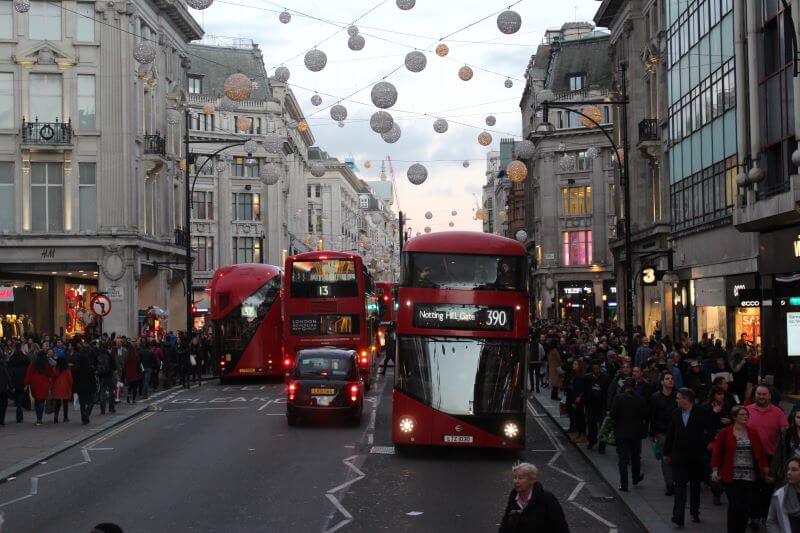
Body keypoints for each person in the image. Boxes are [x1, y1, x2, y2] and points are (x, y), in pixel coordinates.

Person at [711, 405, 770, 533]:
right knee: (734, 506)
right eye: (742, 415)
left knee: (744, 508)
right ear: (734, 417)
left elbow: (760, 452)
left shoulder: (753, 432)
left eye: (746, 415)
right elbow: (717, 453)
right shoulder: (725, 433)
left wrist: (765, 468)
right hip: (731, 476)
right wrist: (715, 470)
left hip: (749, 476)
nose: (745, 417)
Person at [664, 387, 711, 527]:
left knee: (695, 486)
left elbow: (710, 430)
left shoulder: (701, 412)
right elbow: (671, 434)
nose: (676, 400)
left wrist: (703, 444)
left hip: (696, 456)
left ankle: (694, 511)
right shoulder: (676, 413)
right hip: (679, 456)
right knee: (679, 487)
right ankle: (678, 516)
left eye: (678, 398)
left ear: (686, 399)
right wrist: (667, 453)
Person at [747, 384, 790, 529]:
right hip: (750, 455)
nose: (761, 397)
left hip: (770, 456)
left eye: (764, 394)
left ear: (770, 396)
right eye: (759, 394)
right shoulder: (747, 410)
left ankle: (763, 516)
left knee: (766, 488)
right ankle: (753, 516)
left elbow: (785, 432)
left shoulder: (778, 412)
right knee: (752, 487)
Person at [497, 462, 569, 533]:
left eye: (520, 478)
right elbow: (506, 524)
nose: (516, 481)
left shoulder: (547, 498)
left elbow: (560, 526)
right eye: (515, 477)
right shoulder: (514, 498)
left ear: (532, 480)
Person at [609, 377, 647, 492]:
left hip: (621, 433)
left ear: (625, 386)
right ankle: (635, 478)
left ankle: (624, 484)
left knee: (623, 460)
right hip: (636, 434)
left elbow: (612, 414)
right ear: (635, 387)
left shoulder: (618, 398)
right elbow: (645, 415)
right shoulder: (640, 400)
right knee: (635, 457)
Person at [649, 372, 678, 496]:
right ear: (662, 382)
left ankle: (675, 480)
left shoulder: (678, 396)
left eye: (672, 379)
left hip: (677, 432)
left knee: (675, 457)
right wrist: (652, 433)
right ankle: (669, 484)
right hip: (661, 432)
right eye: (667, 379)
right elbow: (652, 416)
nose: (670, 380)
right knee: (666, 458)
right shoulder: (655, 397)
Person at [767, 457, 800, 533]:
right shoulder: (779, 495)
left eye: (794, 470)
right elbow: (771, 522)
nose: (789, 472)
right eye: (788, 469)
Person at [770, 408, 800, 486]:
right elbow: (778, 453)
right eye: (798, 417)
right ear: (794, 418)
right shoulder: (787, 433)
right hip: (789, 470)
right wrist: (772, 472)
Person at [24, 350, 53, 425]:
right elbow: (50, 374)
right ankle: (39, 419)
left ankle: (38, 418)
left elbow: (29, 373)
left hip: (34, 382)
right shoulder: (46, 364)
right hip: (44, 382)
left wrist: (26, 383)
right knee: (42, 400)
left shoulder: (33, 363)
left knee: (37, 400)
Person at [72, 350, 96, 425]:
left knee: (82, 404)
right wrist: (94, 388)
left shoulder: (76, 369)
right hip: (88, 388)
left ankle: (84, 419)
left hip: (80, 389)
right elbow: (93, 380)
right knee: (91, 402)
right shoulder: (90, 368)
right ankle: (87, 413)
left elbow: (74, 380)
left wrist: (74, 389)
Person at [8, 343, 29, 423]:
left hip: (14, 380)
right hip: (23, 380)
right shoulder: (25, 358)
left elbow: (9, 369)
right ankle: (19, 413)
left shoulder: (12, 358)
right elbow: (28, 369)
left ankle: (18, 409)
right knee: (20, 395)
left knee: (17, 396)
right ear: (21, 348)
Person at [96, 342, 117, 414]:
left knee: (102, 392)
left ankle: (102, 409)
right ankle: (111, 407)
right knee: (111, 391)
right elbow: (114, 366)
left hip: (101, 376)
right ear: (107, 348)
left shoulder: (98, 355)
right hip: (109, 376)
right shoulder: (110, 355)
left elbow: (96, 366)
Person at [51, 356, 72, 423]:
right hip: (65, 387)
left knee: (58, 403)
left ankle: (55, 417)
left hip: (57, 387)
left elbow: (53, 378)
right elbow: (70, 379)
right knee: (65, 403)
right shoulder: (67, 370)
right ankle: (65, 417)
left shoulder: (55, 369)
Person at [0, 351, 10, 426]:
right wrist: (10, 385)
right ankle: (2, 419)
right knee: (4, 404)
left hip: (3, 387)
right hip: (3, 388)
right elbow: (7, 376)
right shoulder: (4, 364)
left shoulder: (4, 364)